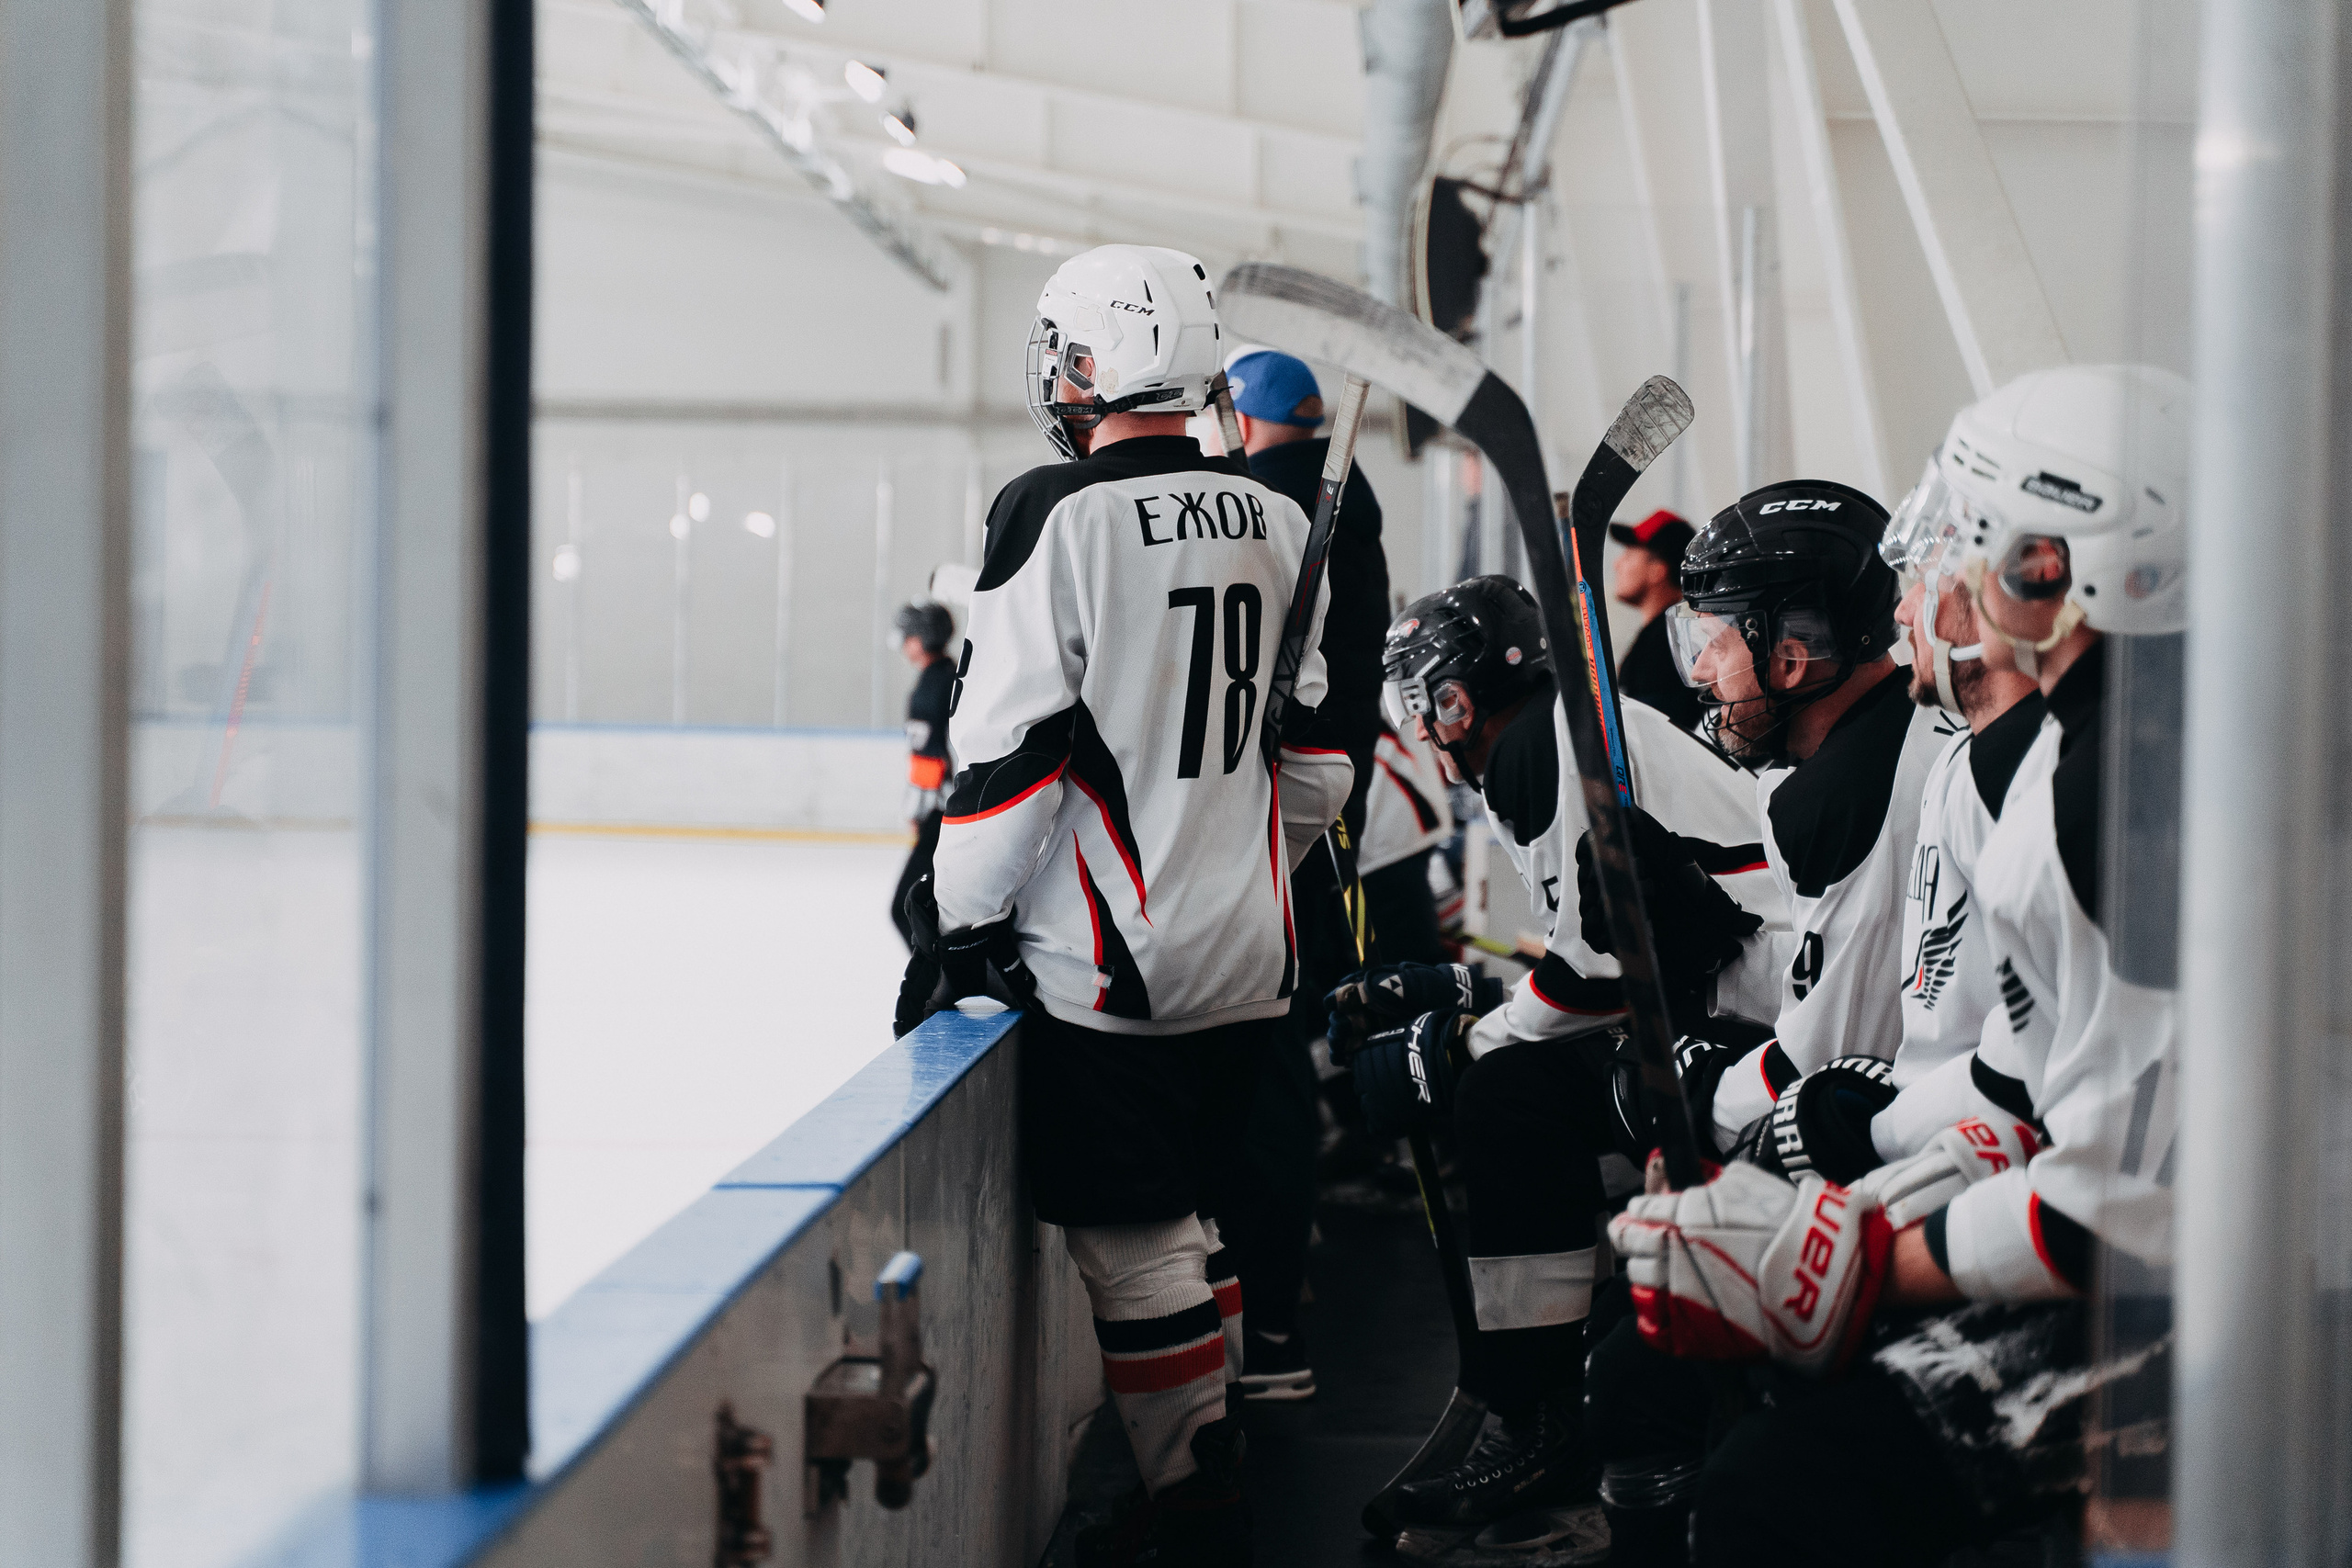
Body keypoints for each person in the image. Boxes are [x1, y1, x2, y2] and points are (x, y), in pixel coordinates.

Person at [1612, 365, 2190, 1567]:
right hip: (2179, 1236)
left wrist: (1856, 1261)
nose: (1921, 586)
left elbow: (2125, 1211)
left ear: (2044, 567)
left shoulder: (2129, 791)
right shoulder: (2051, 758)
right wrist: (1841, 1172)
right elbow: (2011, 1080)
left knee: (1783, 1491)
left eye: (1958, 543)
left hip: (2268, 1294)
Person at [894, 243, 1353, 1568]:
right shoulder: (1275, 514)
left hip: (1112, 971)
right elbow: (1317, 760)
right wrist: (1237, 858)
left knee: (1135, 1236)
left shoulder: (1054, 508)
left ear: (1087, 362)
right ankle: (1204, 1440)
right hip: (1251, 955)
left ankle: (1193, 1490)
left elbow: (1007, 759)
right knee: (1196, 1218)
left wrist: (961, 926)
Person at [1329, 577, 1782, 1542]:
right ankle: (1543, 1385)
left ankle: (1536, 1408)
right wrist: (1459, 997)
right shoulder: (1553, 733)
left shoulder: (1541, 748)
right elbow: (1604, 954)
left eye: (1425, 701)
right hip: (1725, 1012)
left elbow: (1603, 974)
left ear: (1455, 699)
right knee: (1506, 1086)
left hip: (1747, 1037)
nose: (1421, 725)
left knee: (1501, 1099)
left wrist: (1461, 1043)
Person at [1568, 480, 1951, 1557]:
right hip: (1905, 1122)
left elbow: (1833, 1053)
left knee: (1629, 1360)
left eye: (1715, 639)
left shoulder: (1854, 788)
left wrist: (1687, 1098)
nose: (1696, 668)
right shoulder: (1862, 750)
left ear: (1795, 648)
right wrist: (1715, 929)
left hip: (1907, 1152)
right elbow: (1833, 975)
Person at [1216, 345, 1394, 1404]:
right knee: (1274, 1051)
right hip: (1324, 811)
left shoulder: (1279, 506)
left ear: (1244, 419)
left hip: (1280, 819)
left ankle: (1268, 1319)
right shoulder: (1330, 496)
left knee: (1260, 1066)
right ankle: (1276, 1291)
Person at [888, 601, 956, 951]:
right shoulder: (953, 675)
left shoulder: (930, 689)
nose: (902, 641)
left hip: (942, 814)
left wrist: (917, 812)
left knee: (904, 908)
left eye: (908, 633)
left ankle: (932, 981)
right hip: (960, 811)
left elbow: (929, 761)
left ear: (921, 639)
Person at [1608, 509, 1704, 730]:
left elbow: (1646, 729)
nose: (1617, 564)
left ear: (1658, 570)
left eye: (1630, 555)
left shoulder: (1665, 642)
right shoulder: (1662, 632)